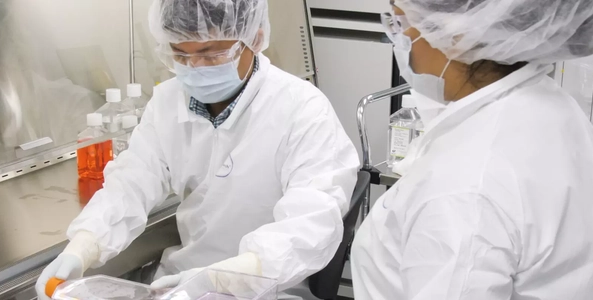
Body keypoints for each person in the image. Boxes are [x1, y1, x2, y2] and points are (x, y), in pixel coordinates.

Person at [35, 0, 359, 299]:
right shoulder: (167, 101)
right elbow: (131, 183)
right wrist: (83, 246)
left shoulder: (301, 109)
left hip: (266, 288)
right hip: (177, 285)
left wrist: (222, 278)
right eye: (181, 54)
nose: (196, 67)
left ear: (255, 39)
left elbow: (310, 224)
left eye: (211, 54)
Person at [350, 0, 593, 299]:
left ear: (456, 34)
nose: (398, 42)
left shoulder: (465, 189)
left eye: (400, 25)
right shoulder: (556, 109)